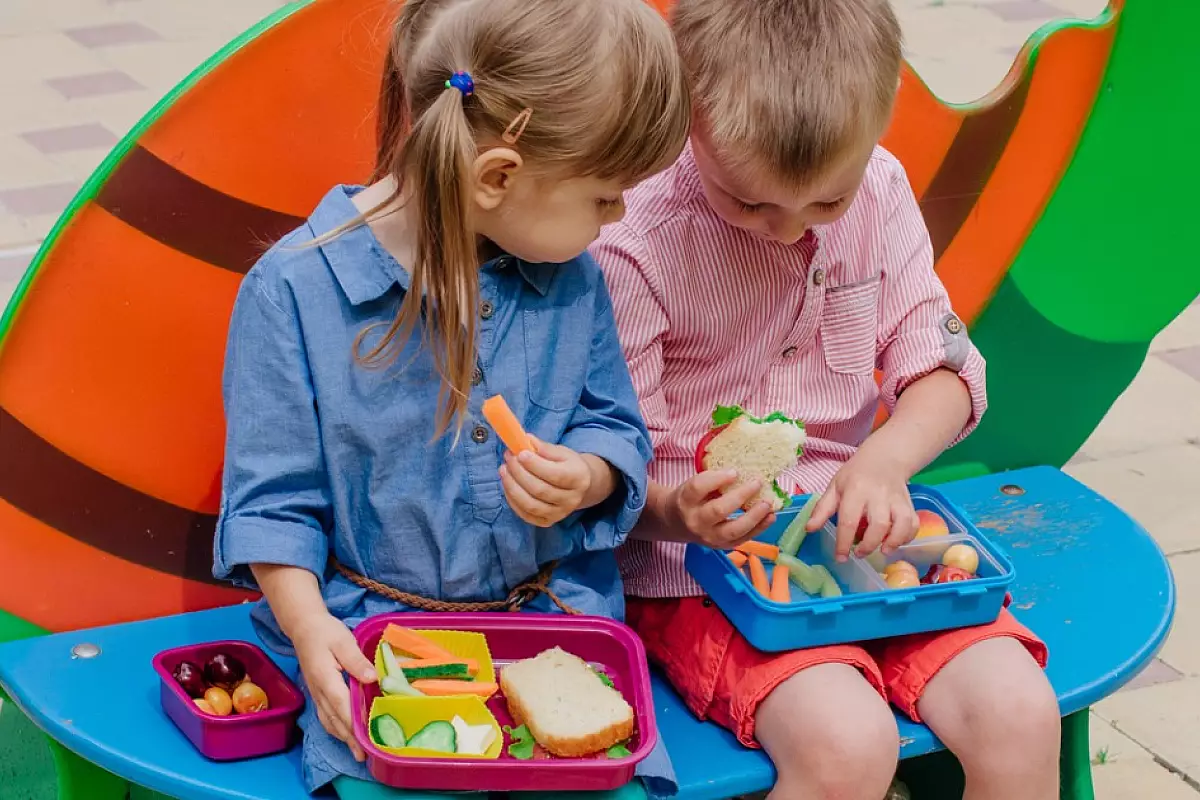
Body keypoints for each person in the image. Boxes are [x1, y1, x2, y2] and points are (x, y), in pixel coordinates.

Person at [212, 0, 690, 794]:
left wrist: (591, 475)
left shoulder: (573, 282)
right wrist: (307, 628)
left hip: (555, 627)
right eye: (605, 196)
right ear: (498, 177)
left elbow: (613, 424)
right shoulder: (294, 293)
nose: (621, 215)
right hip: (373, 637)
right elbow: (274, 504)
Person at [592, 0, 1059, 798]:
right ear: (688, 114)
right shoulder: (635, 235)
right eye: (749, 202)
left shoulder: (878, 190)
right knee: (846, 746)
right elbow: (608, 461)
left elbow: (942, 375)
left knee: (1020, 714)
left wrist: (887, 458)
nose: (786, 229)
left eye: (824, 204)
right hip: (696, 570)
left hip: (863, 542)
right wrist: (678, 510)